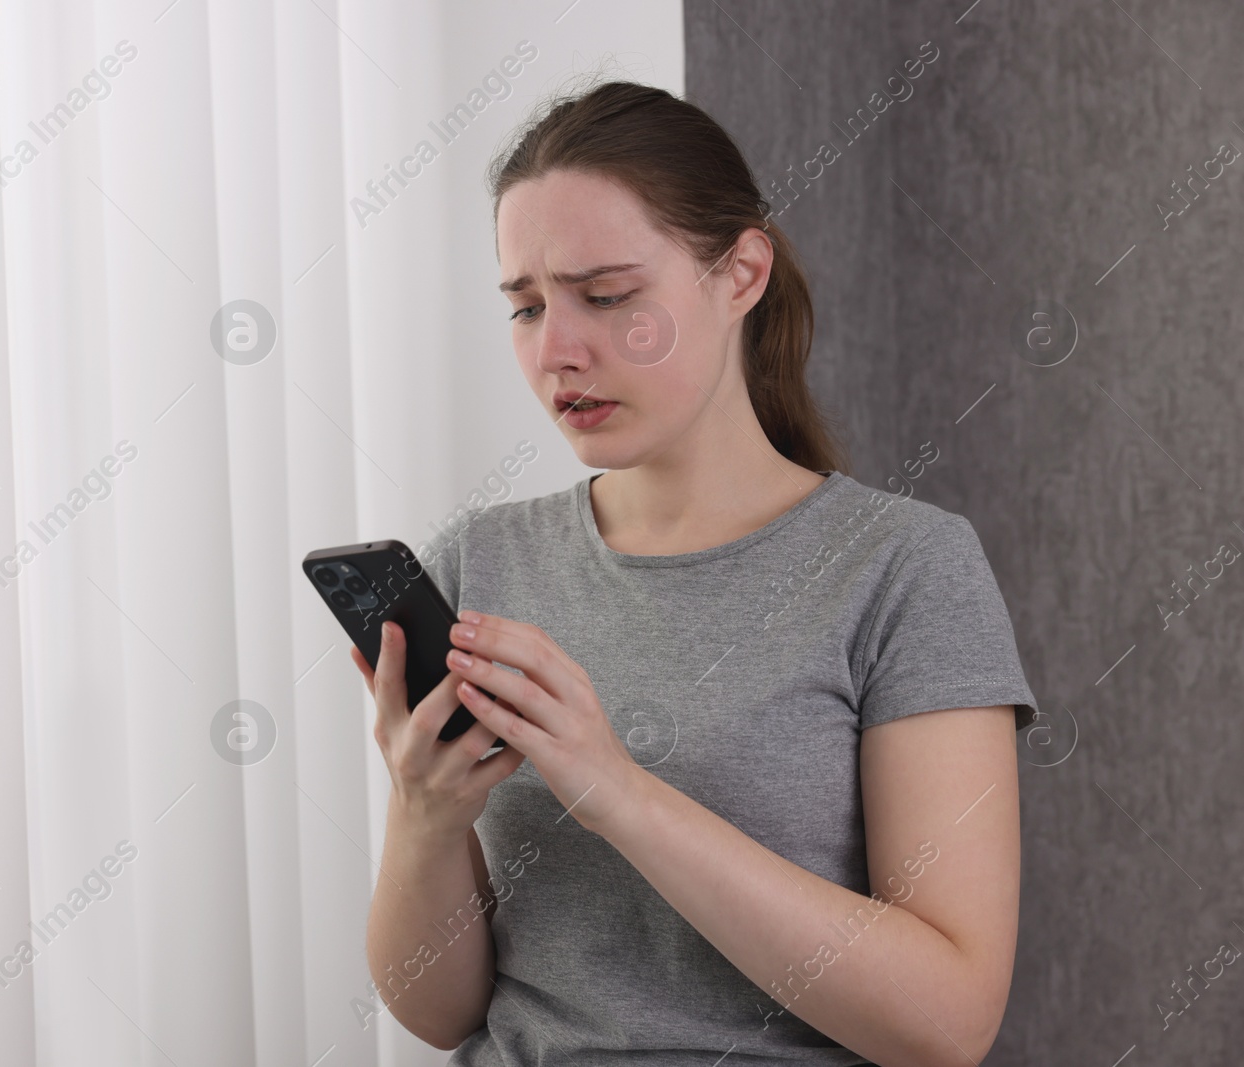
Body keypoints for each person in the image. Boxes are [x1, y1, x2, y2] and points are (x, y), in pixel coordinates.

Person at [349, 78, 1037, 1066]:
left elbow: (947, 1020)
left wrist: (618, 789)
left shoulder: (905, 570)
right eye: (526, 306)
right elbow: (442, 1012)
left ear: (740, 273)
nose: (557, 349)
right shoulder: (481, 559)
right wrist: (424, 812)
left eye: (608, 295)